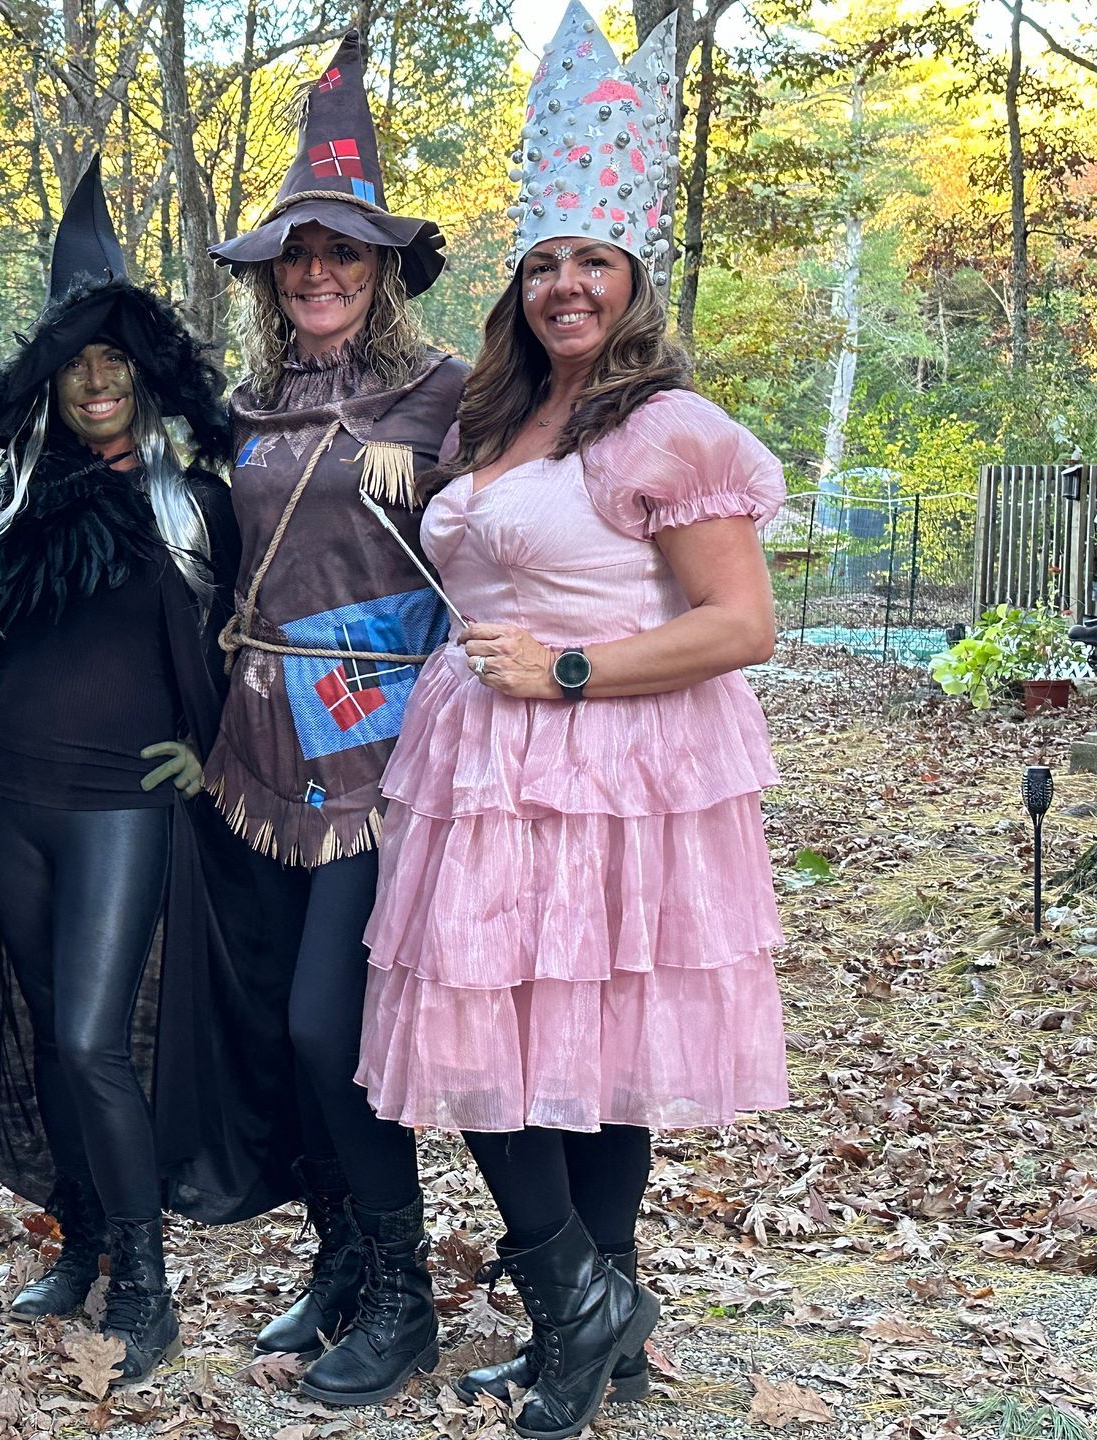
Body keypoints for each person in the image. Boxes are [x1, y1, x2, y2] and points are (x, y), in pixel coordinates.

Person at [355, 7, 790, 1437]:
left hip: (610, 752)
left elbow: (742, 626)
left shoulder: (671, 427)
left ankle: (588, 1312)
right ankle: (587, 1323)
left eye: (590, 260)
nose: (562, 284)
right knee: (516, 1033)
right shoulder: (498, 420)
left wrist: (572, 675)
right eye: (541, 262)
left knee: (587, 1046)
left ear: (634, 277)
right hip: (482, 757)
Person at [0, 158, 301, 1386]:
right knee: (43, 1026)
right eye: (75, 362)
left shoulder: (195, 503)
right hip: (8, 794)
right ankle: (81, 1241)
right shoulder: (9, 501)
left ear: (145, 369)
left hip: (122, 804)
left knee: (92, 1037)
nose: (97, 382)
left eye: (116, 361)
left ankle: (147, 1284)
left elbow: (256, 636)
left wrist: (217, 751)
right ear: (50, 376)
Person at [203, 31, 468, 1406]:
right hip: (253, 750)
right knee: (267, 1027)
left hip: (384, 748)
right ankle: (339, 1263)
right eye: (298, 256)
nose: (317, 273)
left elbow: (509, 539)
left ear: (383, 272)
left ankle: (407, 1294)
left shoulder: (444, 400)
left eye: (343, 255)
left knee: (327, 1026)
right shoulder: (241, 405)